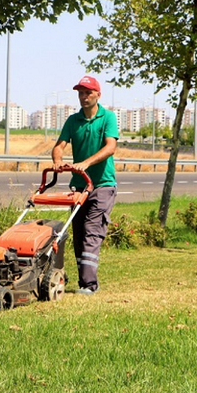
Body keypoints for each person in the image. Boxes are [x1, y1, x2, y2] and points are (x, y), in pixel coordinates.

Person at [51, 75, 118, 295]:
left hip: (102, 185)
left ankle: (90, 285)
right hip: (79, 187)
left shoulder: (107, 117)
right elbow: (59, 146)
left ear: (98, 94)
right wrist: (58, 161)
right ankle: (83, 282)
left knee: (92, 231)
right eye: (80, 93)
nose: (83, 97)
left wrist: (86, 163)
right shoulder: (73, 121)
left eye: (88, 92)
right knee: (78, 234)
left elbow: (110, 147)